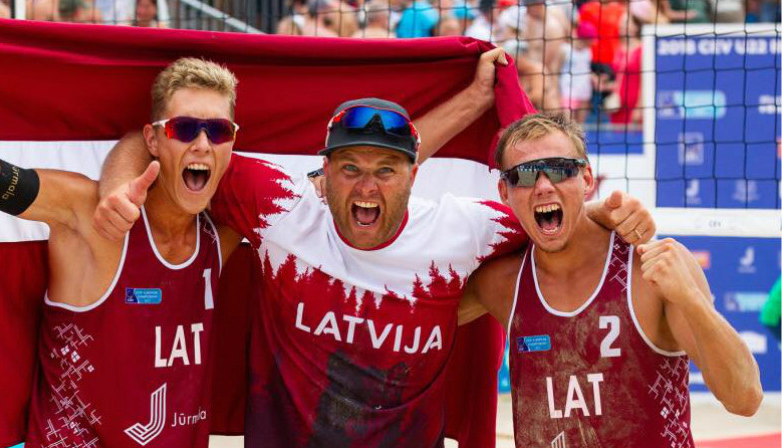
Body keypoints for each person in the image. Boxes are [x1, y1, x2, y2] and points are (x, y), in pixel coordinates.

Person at [95, 49, 656, 446]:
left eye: (386, 171)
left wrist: (607, 213)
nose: (367, 186)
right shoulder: (281, 207)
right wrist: (118, 195)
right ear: (324, 175)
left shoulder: (465, 231)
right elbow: (152, 144)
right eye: (350, 169)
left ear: (414, 177)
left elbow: (551, 208)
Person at [460, 113, 763, 447]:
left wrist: (691, 299)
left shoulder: (650, 268)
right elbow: (410, 312)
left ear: (586, 178)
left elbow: (745, 399)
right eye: (526, 175)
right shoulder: (504, 283)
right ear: (505, 191)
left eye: (560, 169)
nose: (544, 185)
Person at [0, 58, 237, 447]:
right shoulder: (90, 216)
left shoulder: (224, 234)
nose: (202, 143)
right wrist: (120, 178)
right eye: (184, 128)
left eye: (218, 130)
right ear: (154, 140)